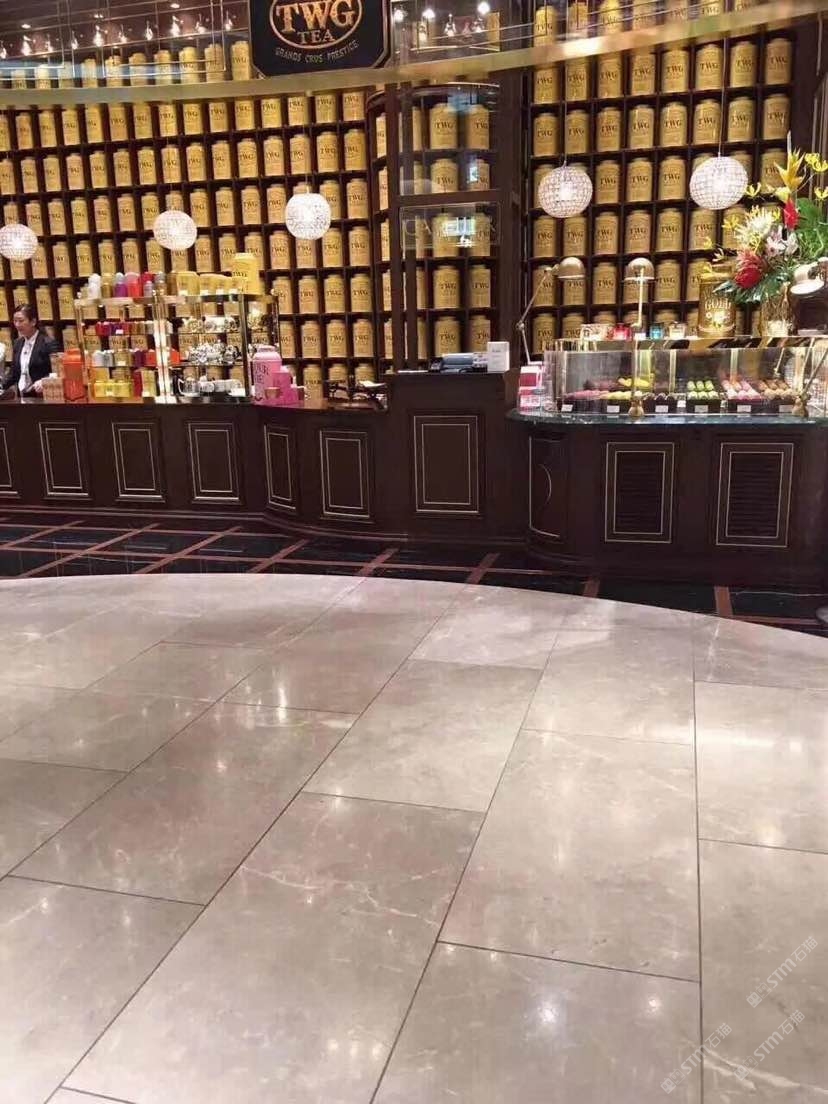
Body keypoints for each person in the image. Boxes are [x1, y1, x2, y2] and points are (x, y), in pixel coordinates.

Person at [2, 304, 59, 397]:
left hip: (42, 396)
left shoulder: (48, 344)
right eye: (15, 321)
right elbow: (13, 374)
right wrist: (1, 385)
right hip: (22, 397)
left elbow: (58, 371)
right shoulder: (17, 343)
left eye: (21, 321)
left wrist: (44, 381)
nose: (17, 325)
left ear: (33, 322)